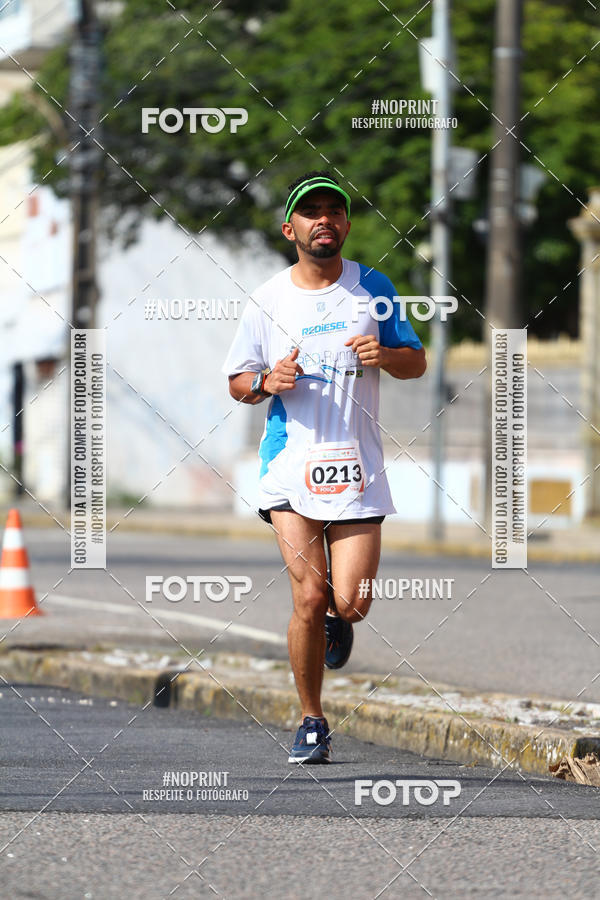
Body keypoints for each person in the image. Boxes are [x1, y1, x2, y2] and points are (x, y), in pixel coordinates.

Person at [222, 170, 426, 763]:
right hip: (290, 464)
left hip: (356, 464)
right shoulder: (267, 299)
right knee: (309, 597)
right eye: (310, 213)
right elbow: (237, 382)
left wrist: (385, 354)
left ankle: (340, 622)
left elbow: (415, 361)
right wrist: (266, 382)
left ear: (346, 225)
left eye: (333, 211)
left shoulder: (374, 288)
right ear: (291, 229)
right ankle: (311, 719)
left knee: (352, 600)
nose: (324, 221)